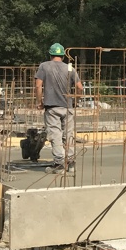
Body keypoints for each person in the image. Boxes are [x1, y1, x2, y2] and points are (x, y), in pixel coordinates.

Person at [35, 43, 82, 173]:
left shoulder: (44, 66)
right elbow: (79, 87)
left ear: (50, 54)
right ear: (62, 55)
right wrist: (75, 101)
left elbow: (38, 86)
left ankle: (59, 163)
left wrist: (39, 102)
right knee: (68, 134)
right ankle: (71, 163)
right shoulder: (70, 68)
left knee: (55, 134)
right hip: (67, 106)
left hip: (52, 107)